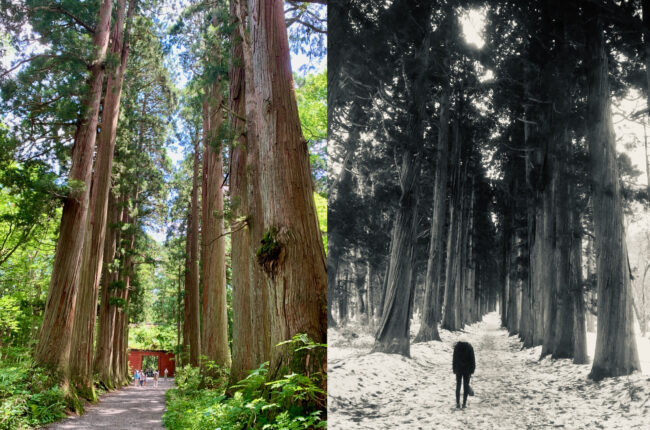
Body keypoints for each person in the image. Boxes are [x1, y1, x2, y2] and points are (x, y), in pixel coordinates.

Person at [452, 340, 475, 409]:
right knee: (466, 386)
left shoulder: (457, 347)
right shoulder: (470, 347)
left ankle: (458, 403)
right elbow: (472, 360)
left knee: (458, 385)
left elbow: (454, 359)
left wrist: (454, 369)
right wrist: (472, 370)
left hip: (459, 369)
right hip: (467, 370)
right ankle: (464, 403)